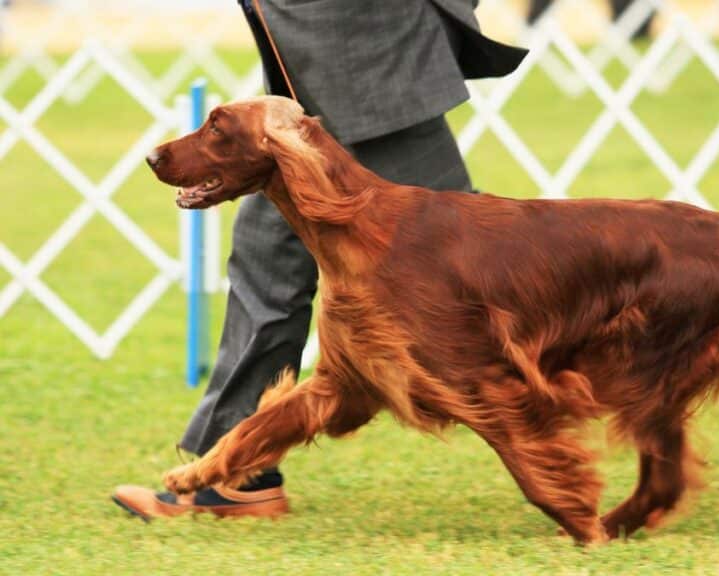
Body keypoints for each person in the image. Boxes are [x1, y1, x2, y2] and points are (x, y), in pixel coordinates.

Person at [112, 0, 526, 520]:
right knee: (266, 262)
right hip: (315, 64)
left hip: (370, 61)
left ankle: (584, 370)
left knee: (479, 273)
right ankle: (236, 474)